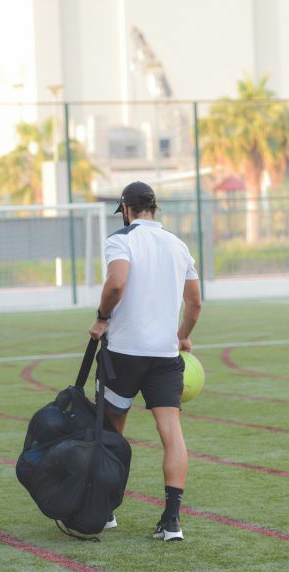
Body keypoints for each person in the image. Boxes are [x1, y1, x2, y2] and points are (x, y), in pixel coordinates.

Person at [88, 181, 201, 542]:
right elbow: (195, 303)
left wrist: (102, 316)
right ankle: (171, 521)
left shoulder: (120, 239)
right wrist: (183, 335)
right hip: (165, 356)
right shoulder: (178, 245)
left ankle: (105, 512)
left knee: (112, 433)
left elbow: (116, 283)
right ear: (155, 208)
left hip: (123, 351)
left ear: (126, 207)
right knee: (172, 435)